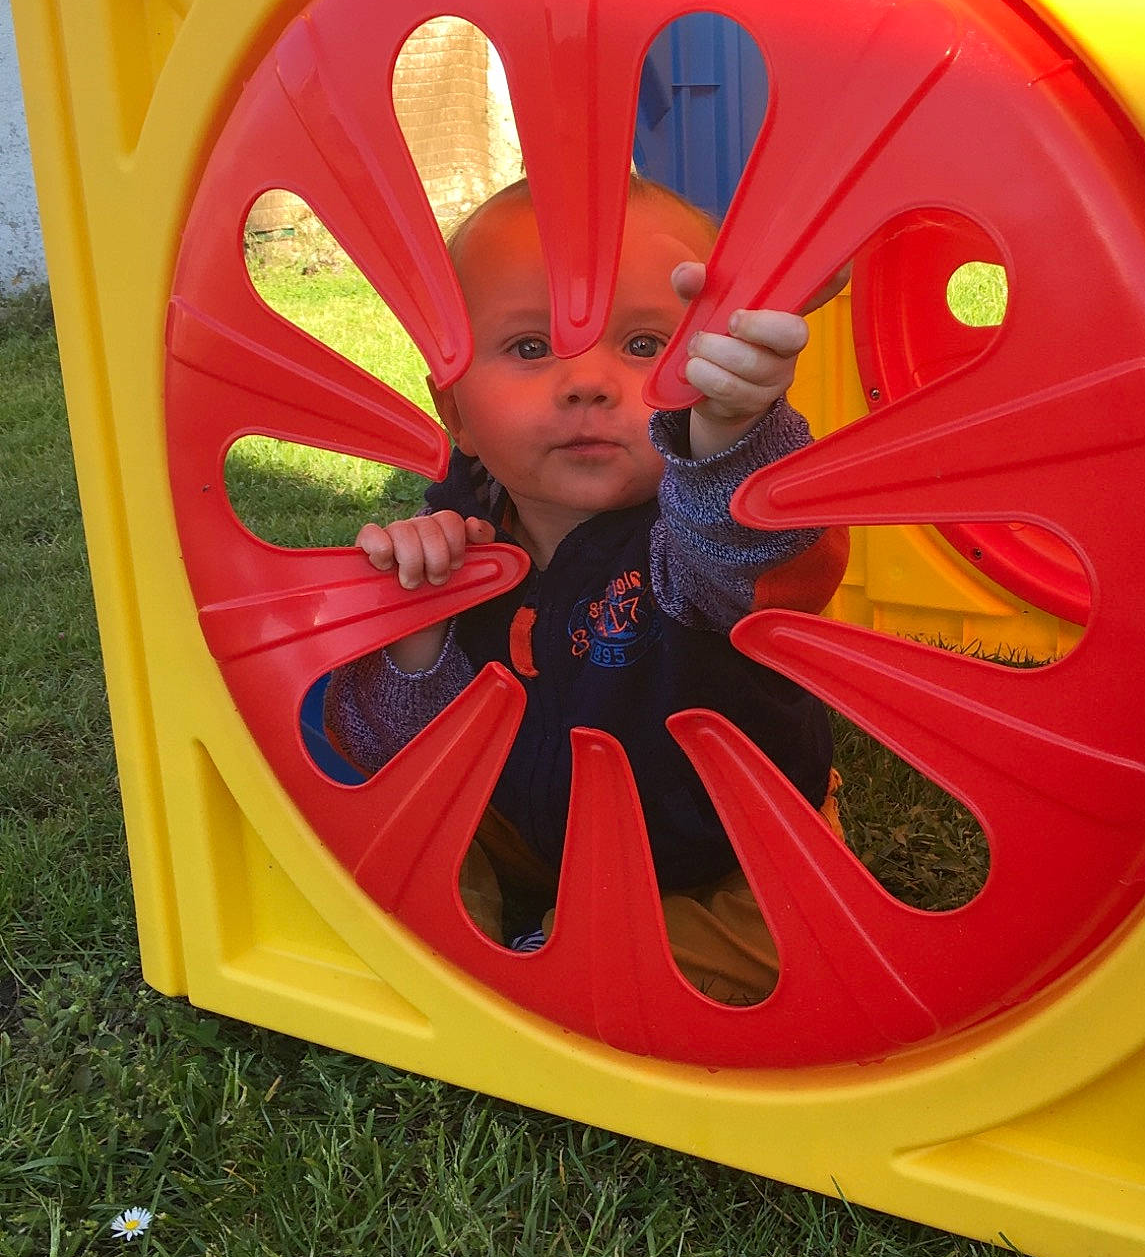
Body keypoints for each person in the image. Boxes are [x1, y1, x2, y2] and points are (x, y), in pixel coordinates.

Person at [324, 176, 848, 1004]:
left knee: (784, 933)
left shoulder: (691, 544)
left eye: (646, 348)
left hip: (717, 851)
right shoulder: (462, 531)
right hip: (527, 829)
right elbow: (410, 752)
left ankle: (556, 961)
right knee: (384, 835)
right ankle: (506, 951)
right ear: (453, 409)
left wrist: (729, 438)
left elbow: (760, 550)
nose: (587, 383)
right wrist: (414, 627)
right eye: (531, 349)